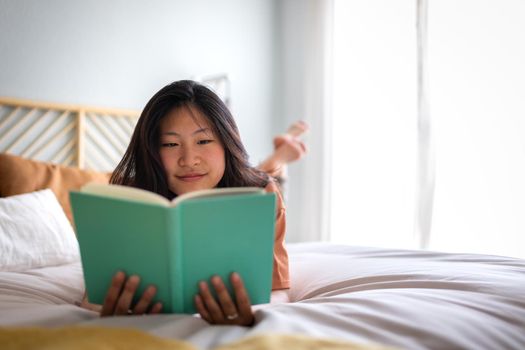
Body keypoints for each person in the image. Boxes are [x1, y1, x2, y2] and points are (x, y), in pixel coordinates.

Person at [81, 80, 306, 326]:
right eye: (170, 144)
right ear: (151, 151)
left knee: (264, 176)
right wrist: (106, 310)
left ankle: (279, 158)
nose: (188, 160)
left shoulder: (262, 196)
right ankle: (278, 158)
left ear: (226, 142)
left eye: (203, 141)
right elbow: (91, 299)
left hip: (248, 179)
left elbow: (279, 292)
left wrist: (251, 314)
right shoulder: (127, 199)